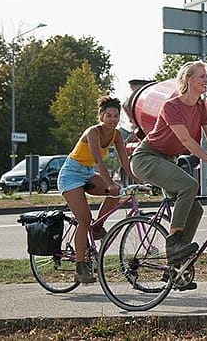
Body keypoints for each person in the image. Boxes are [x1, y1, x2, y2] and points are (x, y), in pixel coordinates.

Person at [130, 60, 207, 290]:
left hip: (166, 160)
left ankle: (177, 267)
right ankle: (174, 244)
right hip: (146, 158)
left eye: (205, 76)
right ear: (188, 80)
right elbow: (186, 141)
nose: (205, 80)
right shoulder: (172, 106)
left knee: (195, 208)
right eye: (201, 76)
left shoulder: (200, 106)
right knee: (189, 186)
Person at [58, 95, 140, 284]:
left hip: (87, 173)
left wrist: (137, 179)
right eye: (109, 115)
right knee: (84, 220)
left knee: (116, 193)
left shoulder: (116, 134)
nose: (113, 119)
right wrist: (110, 182)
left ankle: (97, 229)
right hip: (71, 174)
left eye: (116, 116)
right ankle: (80, 267)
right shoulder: (92, 132)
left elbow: (124, 160)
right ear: (101, 116)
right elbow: (98, 160)